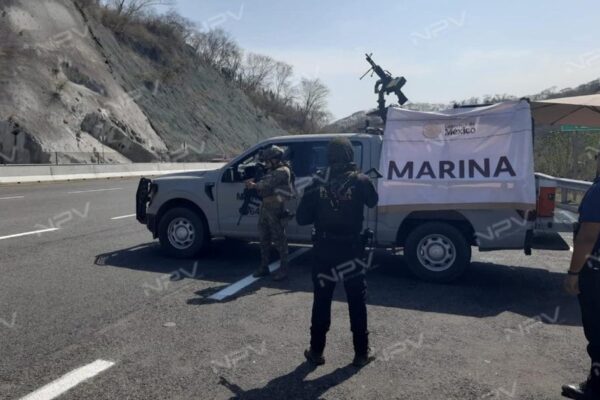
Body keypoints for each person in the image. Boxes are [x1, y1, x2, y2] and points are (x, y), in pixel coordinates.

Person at [296, 137, 378, 367]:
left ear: (328, 156)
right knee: (356, 300)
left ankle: (316, 351)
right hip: (352, 249)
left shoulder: (316, 181)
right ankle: (361, 353)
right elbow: (373, 201)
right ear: (350, 155)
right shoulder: (361, 180)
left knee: (322, 299)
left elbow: (302, 218)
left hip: (324, 248)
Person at [563, 151, 600, 400]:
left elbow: (588, 236)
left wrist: (573, 273)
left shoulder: (598, 192)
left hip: (595, 273)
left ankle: (596, 388)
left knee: (597, 332)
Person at [245, 145, 293, 281]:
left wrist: (254, 185)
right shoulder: (272, 170)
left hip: (276, 208)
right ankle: (264, 266)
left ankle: (284, 269)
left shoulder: (282, 171)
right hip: (266, 207)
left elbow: (267, 184)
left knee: (279, 240)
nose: (266, 163)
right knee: (263, 237)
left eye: (268, 160)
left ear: (275, 159)